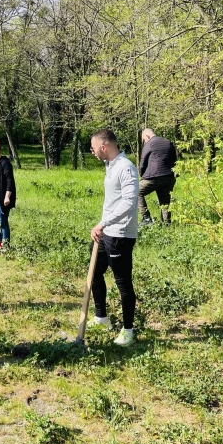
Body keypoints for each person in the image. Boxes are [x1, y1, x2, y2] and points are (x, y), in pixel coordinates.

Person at [88, 129, 140, 347]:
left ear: (103, 146)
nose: (92, 152)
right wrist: (102, 226)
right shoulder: (110, 166)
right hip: (105, 232)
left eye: (93, 148)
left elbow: (129, 202)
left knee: (123, 283)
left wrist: (104, 223)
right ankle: (102, 317)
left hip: (120, 234)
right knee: (93, 272)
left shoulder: (125, 167)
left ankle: (128, 330)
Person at [138, 129, 177, 225]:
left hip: (153, 177)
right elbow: (175, 159)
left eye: (144, 140)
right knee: (165, 200)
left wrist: (142, 175)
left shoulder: (149, 144)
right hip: (169, 177)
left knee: (135, 191)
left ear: (147, 136)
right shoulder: (168, 142)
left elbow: (142, 163)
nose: (144, 142)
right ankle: (167, 223)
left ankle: (146, 218)